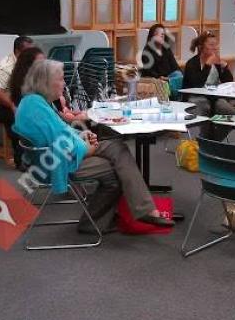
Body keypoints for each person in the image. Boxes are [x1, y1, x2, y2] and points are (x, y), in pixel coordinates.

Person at [13, 60, 174, 233]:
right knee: (118, 168)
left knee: (117, 148)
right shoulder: (37, 107)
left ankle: (138, 211)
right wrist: (85, 147)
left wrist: (82, 135)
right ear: (45, 82)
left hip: (52, 157)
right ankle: (130, 213)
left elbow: (62, 133)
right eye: (60, 79)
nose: (64, 83)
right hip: (57, 162)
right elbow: (61, 144)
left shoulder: (34, 102)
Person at [0, 36, 34, 169]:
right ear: (18, 52)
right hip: (0, 105)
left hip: (20, 100)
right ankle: (21, 161)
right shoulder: (5, 67)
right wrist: (12, 105)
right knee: (17, 117)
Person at [183, 31, 235, 140]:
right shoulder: (192, 63)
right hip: (195, 98)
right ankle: (203, 143)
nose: (215, 48)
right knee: (203, 114)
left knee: (230, 114)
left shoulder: (216, 62)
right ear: (202, 47)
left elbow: (229, 81)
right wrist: (207, 65)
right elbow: (196, 85)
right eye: (211, 45)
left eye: (216, 45)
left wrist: (225, 68)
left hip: (214, 97)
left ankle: (213, 141)